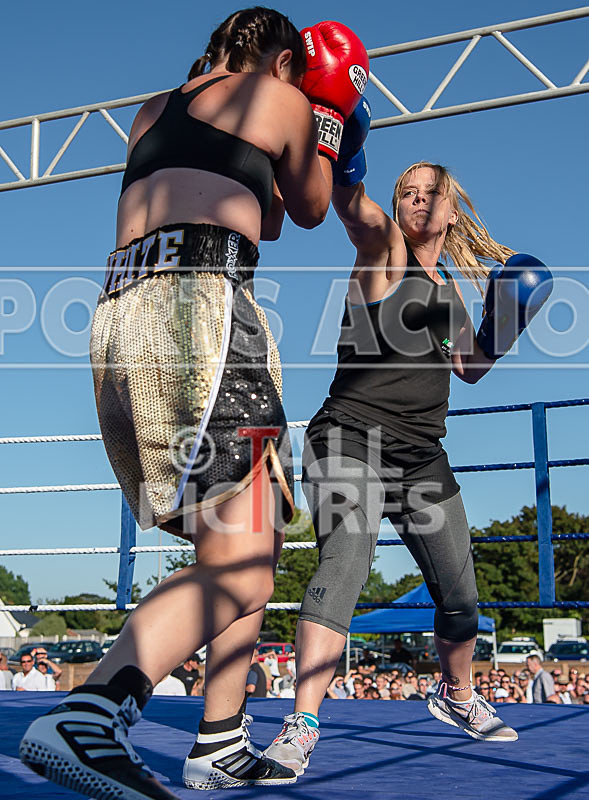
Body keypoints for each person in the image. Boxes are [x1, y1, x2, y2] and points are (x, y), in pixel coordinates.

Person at [19, 9, 368, 797]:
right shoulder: (273, 95)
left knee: (250, 537)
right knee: (244, 569)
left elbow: (267, 215)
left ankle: (219, 741)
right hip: (200, 312)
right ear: (284, 59)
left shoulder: (157, 107)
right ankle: (89, 711)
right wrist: (329, 122)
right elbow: (310, 208)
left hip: (122, 323)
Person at [264, 96, 553, 774]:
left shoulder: (448, 290)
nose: (420, 201)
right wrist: (343, 151)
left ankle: (456, 695)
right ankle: (302, 723)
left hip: (420, 454)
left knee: (460, 597)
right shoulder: (382, 249)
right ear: (397, 207)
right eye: (408, 192)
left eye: (433, 194)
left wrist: (506, 323)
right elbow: (351, 209)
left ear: (451, 212)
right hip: (349, 441)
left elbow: (471, 369)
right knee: (344, 567)